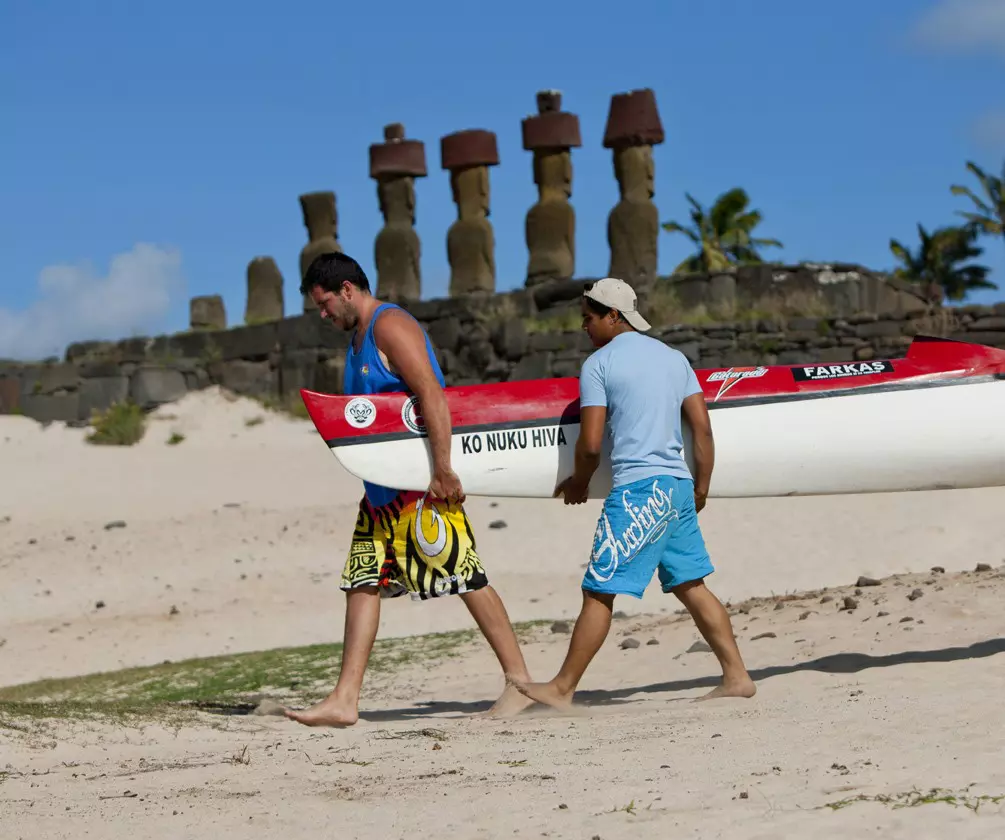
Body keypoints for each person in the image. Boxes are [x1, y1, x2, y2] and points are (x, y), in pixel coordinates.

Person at [284, 252, 533, 726]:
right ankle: (345, 699)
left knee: (465, 576)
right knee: (360, 584)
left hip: (417, 491)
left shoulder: (389, 325)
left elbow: (431, 393)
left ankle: (519, 683)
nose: (323, 315)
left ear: (348, 291)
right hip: (380, 497)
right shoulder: (357, 337)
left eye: (324, 304)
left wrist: (443, 469)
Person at [509, 277, 755, 711]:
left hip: (639, 489)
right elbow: (702, 428)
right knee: (691, 583)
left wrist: (579, 483)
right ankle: (737, 675)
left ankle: (563, 688)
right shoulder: (674, 358)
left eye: (588, 319)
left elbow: (589, 443)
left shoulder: (599, 365)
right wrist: (701, 486)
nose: (584, 328)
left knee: (600, 588)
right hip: (677, 484)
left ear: (612, 316)